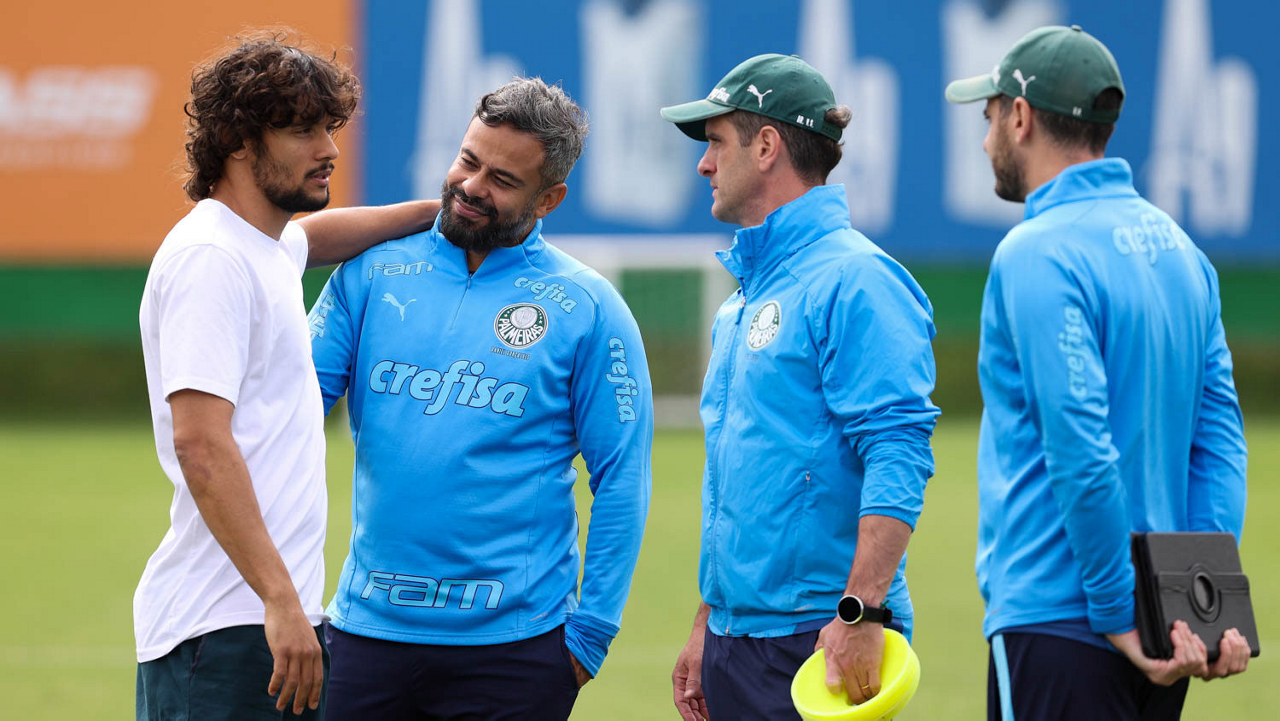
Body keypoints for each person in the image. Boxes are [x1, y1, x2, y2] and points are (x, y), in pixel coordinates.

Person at [307, 76, 653, 720]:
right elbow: (287, 416)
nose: (471, 185)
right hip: (366, 634)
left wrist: (592, 632)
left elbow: (623, 477)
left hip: (516, 650)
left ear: (549, 198)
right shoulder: (371, 272)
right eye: (468, 160)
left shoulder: (588, 308)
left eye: (502, 179)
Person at [945, 24, 1252, 720]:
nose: (986, 139)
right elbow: (1219, 442)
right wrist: (1203, 604)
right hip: (1167, 627)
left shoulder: (1035, 251)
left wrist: (1116, 613)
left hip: (1061, 620)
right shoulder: (1183, 252)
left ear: (1020, 116)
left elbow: (1081, 446)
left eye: (989, 117)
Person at [134, 33, 438, 720]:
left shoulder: (264, 245)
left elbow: (320, 236)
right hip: (226, 627)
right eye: (303, 130)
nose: (329, 149)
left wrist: (439, 212)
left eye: (330, 128)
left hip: (261, 622)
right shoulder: (210, 259)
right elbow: (200, 443)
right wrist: (280, 600)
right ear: (239, 141)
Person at [661, 54, 940, 721]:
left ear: (766, 147)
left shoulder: (858, 279)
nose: (703, 164)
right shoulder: (743, 299)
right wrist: (708, 622)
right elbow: (739, 487)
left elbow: (898, 450)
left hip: (818, 638)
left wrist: (862, 612)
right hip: (737, 639)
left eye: (716, 142)